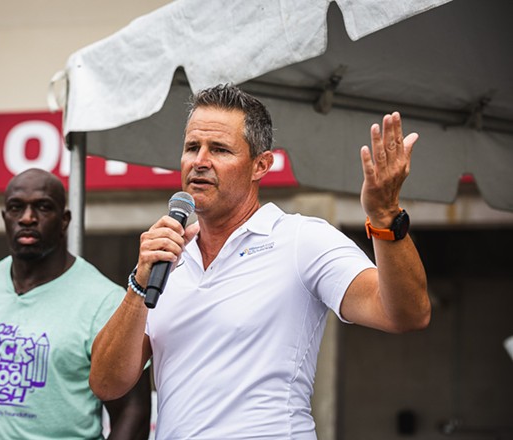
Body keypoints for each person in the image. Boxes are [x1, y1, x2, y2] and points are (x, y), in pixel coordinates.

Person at [88, 84, 431, 439]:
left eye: (219, 149)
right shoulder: (165, 260)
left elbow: (406, 314)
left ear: (260, 165)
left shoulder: (301, 239)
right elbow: (106, 383)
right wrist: (139, 283)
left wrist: (386, 216)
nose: (199, 161)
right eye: (192, 147)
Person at [0, 168, 151, 440]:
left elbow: (133, 410)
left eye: (43, 207)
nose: (27, 218)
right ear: (4, 218)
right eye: (16, 208)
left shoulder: (106, 301)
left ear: (64, 220)